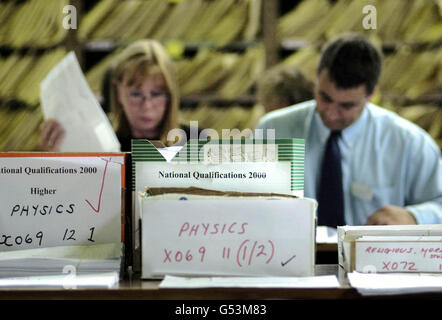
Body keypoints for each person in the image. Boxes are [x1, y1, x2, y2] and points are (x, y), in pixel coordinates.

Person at [256, 33, 442, 226]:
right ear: (317, 81)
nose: (331, 114)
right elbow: (242, 200)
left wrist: (414, 217)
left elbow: (439, 203)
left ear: (372, 94)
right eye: (325, 98)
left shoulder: (409, 143)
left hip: (374, 255)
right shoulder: (273, 131)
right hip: (289, 254)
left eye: (346, 106)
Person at [40, 39, 199, 152]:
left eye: (156, 94)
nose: (147, 106)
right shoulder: (101, 146)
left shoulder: (197, 142)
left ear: (170, 96)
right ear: (118, 93)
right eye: (136, 94)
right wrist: (59, 160)